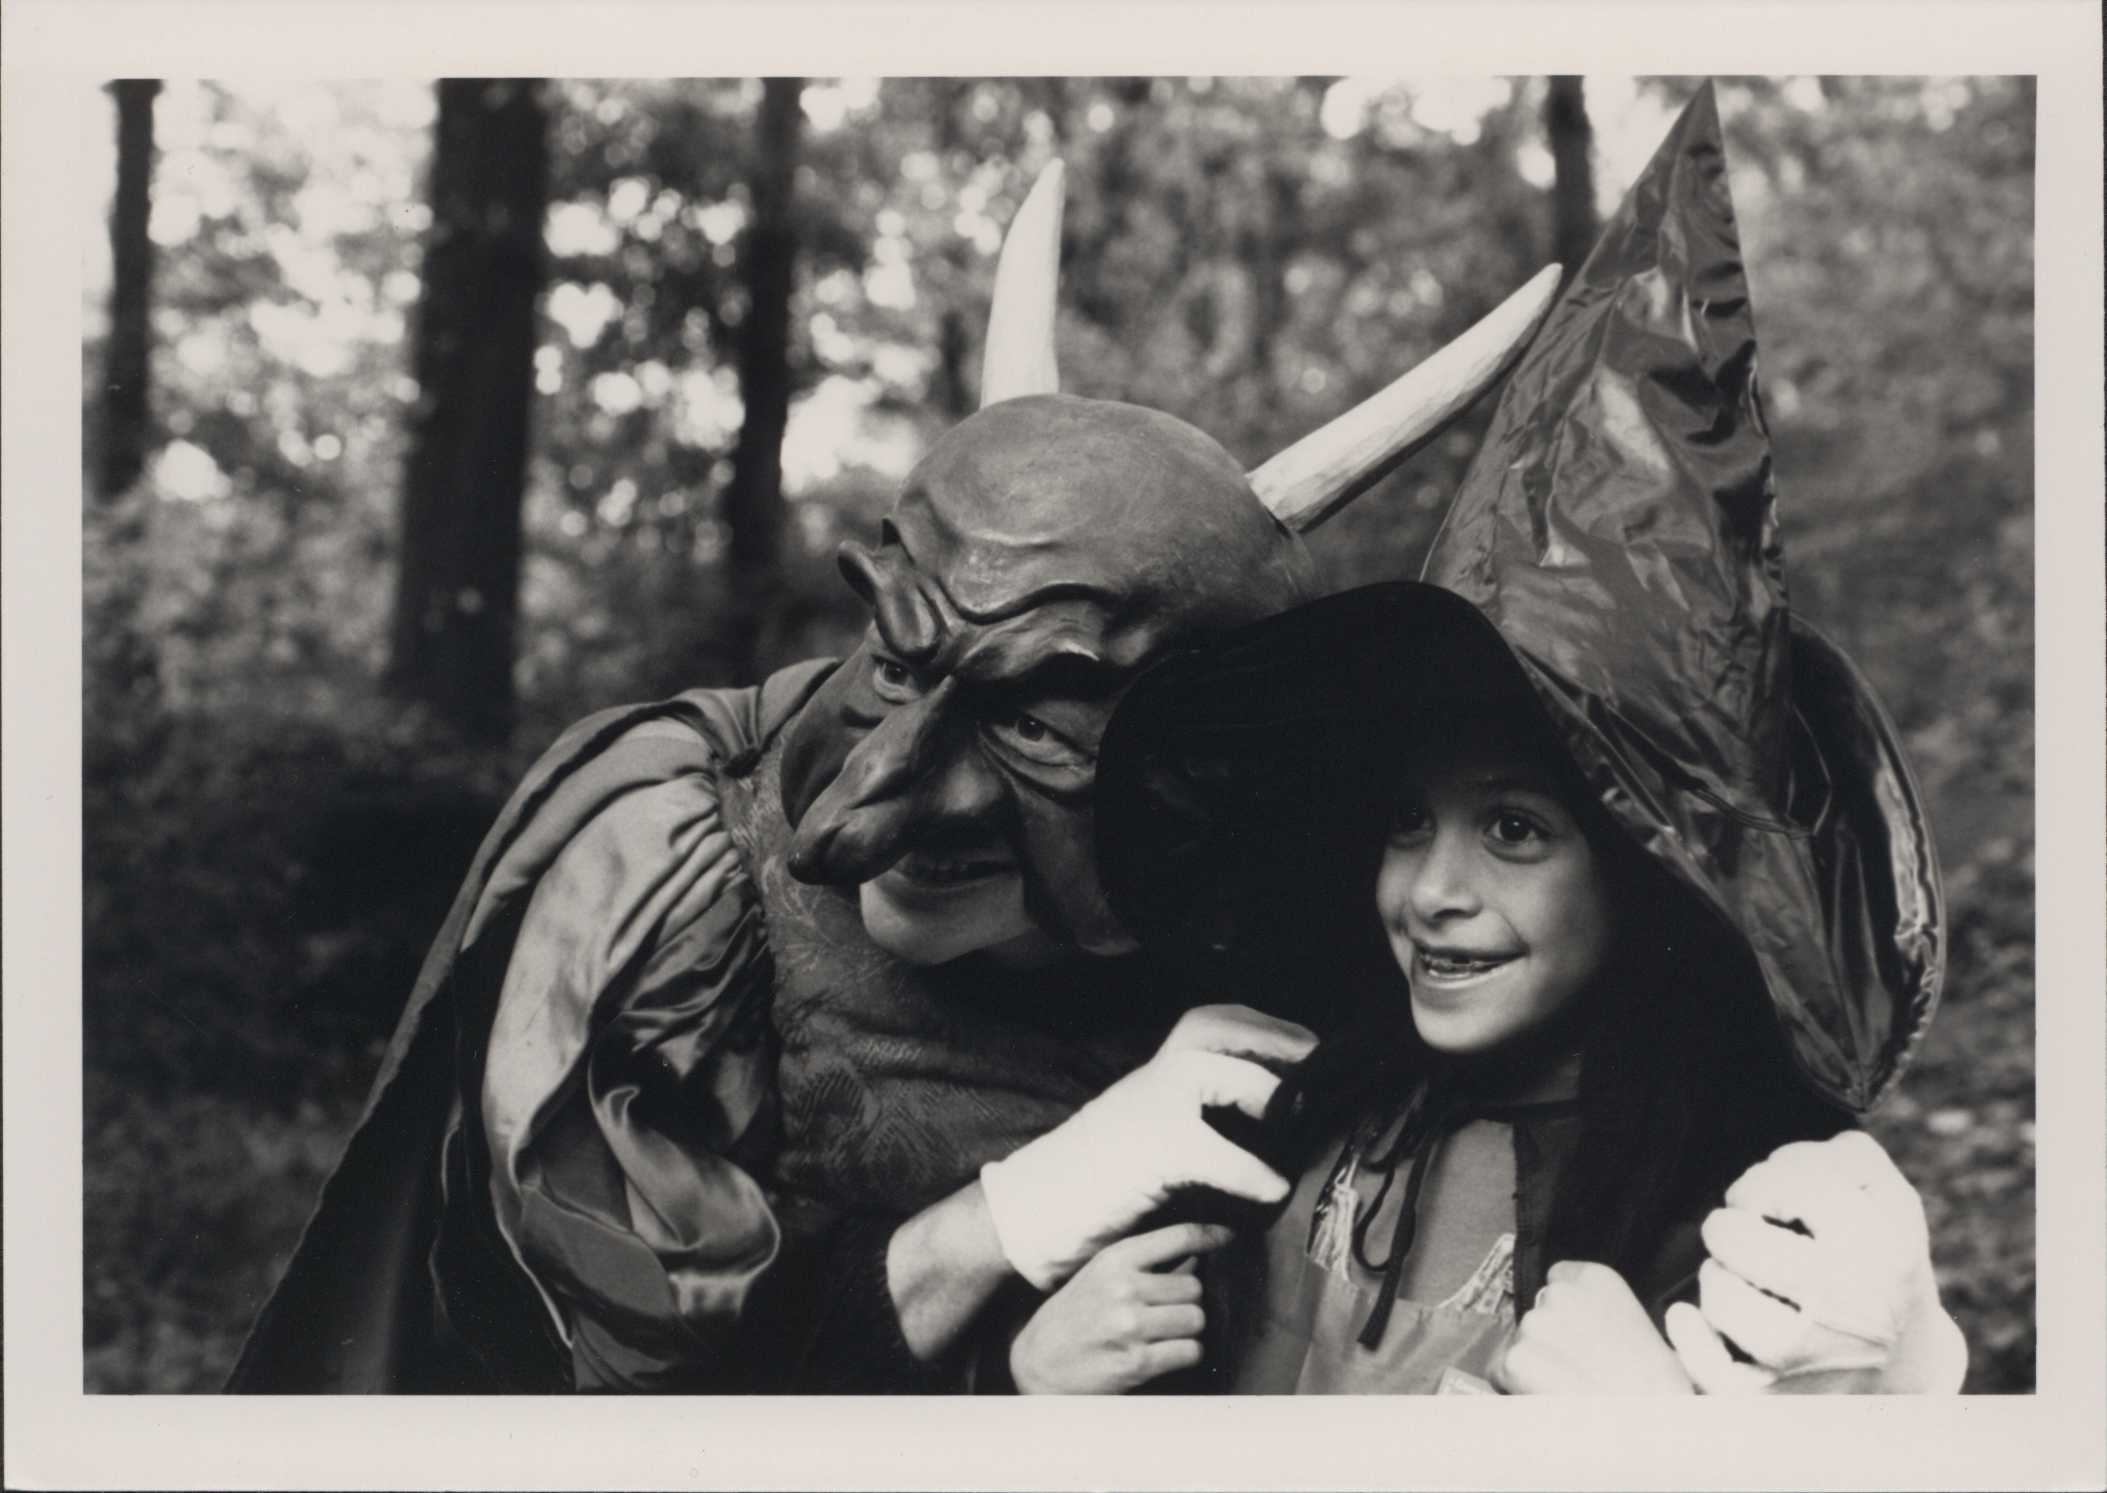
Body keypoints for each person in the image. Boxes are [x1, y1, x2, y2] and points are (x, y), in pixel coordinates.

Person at [231, 103, 1957, 1395]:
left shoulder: (1265, 973)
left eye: (1041, 718)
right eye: (902, 653)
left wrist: (1891, 1386)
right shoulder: (678, 857)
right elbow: (606, 1378)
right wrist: (1012, 1287)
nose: (874, 805)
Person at [1015, 83, 1965, 1396]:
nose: (1431, 891)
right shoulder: (1299, 1109)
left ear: (1644, 863)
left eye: (1513, 828)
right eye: (1409, 821)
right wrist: (1035, 1393)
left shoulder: (1765, 1237)